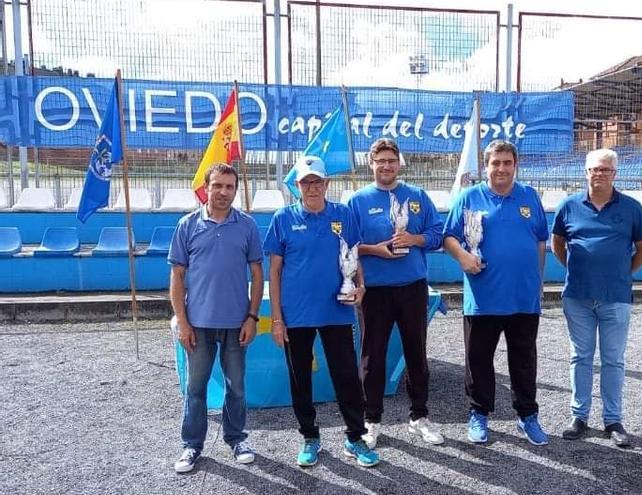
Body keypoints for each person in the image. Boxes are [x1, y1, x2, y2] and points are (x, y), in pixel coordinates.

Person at [264, 156, 380, 468]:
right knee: (300, 379)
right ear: (297, 186)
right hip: (296, 315)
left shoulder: (343, 215)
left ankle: (355, 437)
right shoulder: (282, 219)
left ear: (327, 184)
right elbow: (273, 272)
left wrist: (361, 287)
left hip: (337, 312)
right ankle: (310, 437)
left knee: (346, 377)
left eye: (317, 181)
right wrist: (277, 319)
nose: (312, 187)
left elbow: (354, 259)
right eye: (306, 182)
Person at [442, 139, 550, 446]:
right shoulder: (469, 197)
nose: (501, 168)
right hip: (483, 298)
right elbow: (448, 236)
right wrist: (463, 257)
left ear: (515, 165)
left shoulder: (530, 196)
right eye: (495, 163)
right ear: (486, 166)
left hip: (523, 298)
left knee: (524, 360)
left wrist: (538, 281)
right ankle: (479, 413)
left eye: (507, 163)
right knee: (478, 360)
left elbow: (541, 241)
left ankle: (527, 415)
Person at [550, 149, 642, 448]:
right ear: (586, 173)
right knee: (579, 357)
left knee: (613, 360)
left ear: (615, 174)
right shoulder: (568, 206)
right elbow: (558, 243)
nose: (599, 174)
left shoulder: (631, 208)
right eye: (594, 169)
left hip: (616, 296)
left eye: (605, 170)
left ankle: (613, 420)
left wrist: (623, 273)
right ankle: (579, 417)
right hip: (577, 296)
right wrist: (573, 268)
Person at [347, 138, 444, 448]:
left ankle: (419, 417)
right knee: (372, 357)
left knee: (417, 353)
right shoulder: (358, 201)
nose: (386, 166)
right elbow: (347, 245)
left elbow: (437, 234)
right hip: (375, 291)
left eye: (391, 160)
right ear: (371, 164)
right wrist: (376, 250)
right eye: (380, 161)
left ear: (399, 163)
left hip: (412, 289)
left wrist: (413, 239)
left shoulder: (417, 196)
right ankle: (372, 419)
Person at [168, 163, 263, 473]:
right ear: (206, 188)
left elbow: (257, 273)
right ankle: (191, 445)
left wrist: (252, 316)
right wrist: (182, 321)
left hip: (237, 323)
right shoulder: (187, 225)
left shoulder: (247, 225)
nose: (224, 192)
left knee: (236, 386)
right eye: (218, 185)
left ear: (235, 190)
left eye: (229, 187)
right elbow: (177, 275)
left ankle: (237, 439)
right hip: (198, 324)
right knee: (195, 389)